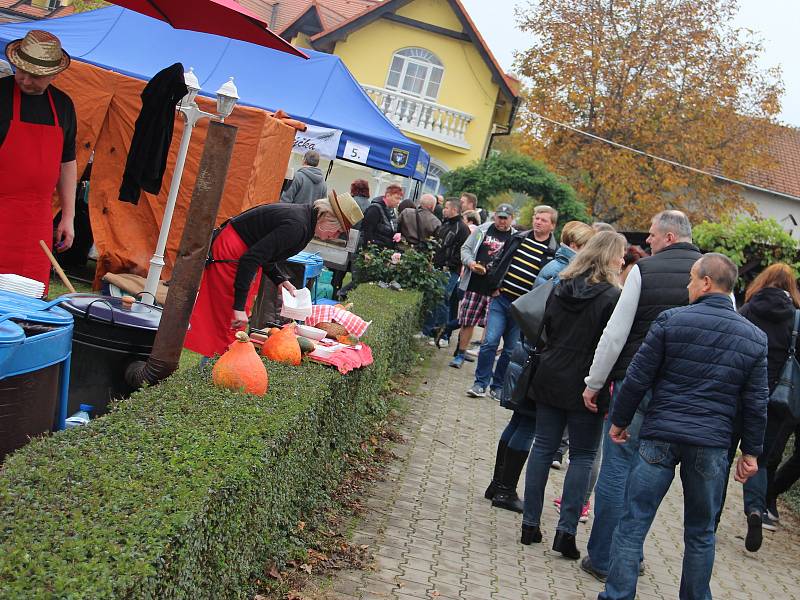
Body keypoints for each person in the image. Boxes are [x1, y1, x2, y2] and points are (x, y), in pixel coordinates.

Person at [599, 253, 768, 600]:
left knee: (633, 522)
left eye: (692, 278)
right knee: (701, 532)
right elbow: (755, 403)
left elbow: (637, 377)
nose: (688, 285)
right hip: (710, 444)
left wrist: (620, 420)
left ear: (706, 282)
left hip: (659, 436)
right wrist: (750, 452)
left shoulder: (670, 321)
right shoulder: (754, 337)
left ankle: (616, 595)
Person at [580, 210, 701, 582]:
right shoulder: (713, 272)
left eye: (651, 235)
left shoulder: (643, 271)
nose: (646, 240)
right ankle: (632, 553)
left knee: (617, 468)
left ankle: (603, 557)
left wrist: (594, 380)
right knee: (650, 475)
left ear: (667, 237)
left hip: (637, 385)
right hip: (681, 393)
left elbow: (616, 334)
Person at [520, 232, 626, 558]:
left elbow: (545, 326)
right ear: (609, 257)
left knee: (542, 447)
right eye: (620, 255)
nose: (623, 261)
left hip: (551, 372)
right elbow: (611, 344)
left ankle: (529, 522)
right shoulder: (612, 296)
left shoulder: (560, 285)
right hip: (586, 382)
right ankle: (565, 532)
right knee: (581, 456)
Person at [487, 221, 595, 514]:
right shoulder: (563, 274)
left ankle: (498, 484)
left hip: (529, 351)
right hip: (538, 355)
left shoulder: (554, 266)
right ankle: (506, 489)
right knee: (527, 423)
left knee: (518, 422)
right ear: (580, 246)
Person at [184, 192, 362, 358]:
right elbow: (252, 258)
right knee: (229, 319)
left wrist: (279, 279)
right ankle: (214, 369)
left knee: (229, 321)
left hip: (242, 253)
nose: (334, 236)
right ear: (328, 219)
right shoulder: (297, 226)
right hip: (233, 252)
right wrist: (238, 307)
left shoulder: (306, 222)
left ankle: (215, 366)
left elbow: (266, 253)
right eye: (337, 231)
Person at [723, 263, 800, 549]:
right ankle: (755, 510)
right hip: (776, 402)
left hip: (738, 397)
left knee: (723, 456)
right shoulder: (796, 321)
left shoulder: (747, 310)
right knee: (760, 461)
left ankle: (712, 519)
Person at [0, 30, 76, 293]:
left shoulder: (63, 106)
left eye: (35, 75)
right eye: (21, 70)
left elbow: (67, 162)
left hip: (37, 223)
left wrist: (68, 215)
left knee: (27, 301)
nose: (24, 79)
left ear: (54, 75)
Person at [466, 205, 558, 398]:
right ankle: (480, 383)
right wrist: (494, 286)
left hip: (524, 309)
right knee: (490, 341)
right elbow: (499, 261)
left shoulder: (552, 252)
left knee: (509, 350)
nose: (538, 221)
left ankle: (497, 386)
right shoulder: (519, 238)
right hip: (502, 299)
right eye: (536, 217)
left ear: (553, 226)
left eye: (543, 220)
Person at [450, 206, 516, 369]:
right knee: (467, 321)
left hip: (496, 288)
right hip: (474, 283)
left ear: (511, 219)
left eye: (505, 218)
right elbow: (465, 248)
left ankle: (483, 360)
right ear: (495, 217)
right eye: (499, 217)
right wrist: (470, 262)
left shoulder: (516, 237)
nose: (501, 221)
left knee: (491, 326)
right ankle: (460, 354)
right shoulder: (482, 230)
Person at [421, 198, 469, 343]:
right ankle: (427, 331)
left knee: (442, 301)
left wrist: (449, 264)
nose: (444, 209)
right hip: (437, 267)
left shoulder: (462, 228)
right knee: (432, 299)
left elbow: (461, 252)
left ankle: (443, 335)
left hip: (449, 271)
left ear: (454, 210)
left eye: (447, 207)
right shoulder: (445, 224)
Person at [360, 183, 403, 248]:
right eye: (397, 198)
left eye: (400, 199)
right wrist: (367, 251)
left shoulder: (392, 211)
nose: (398, 202)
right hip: (373, 249)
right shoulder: (375, 209)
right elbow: (367, 231)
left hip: (383, 249)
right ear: (388, 195)